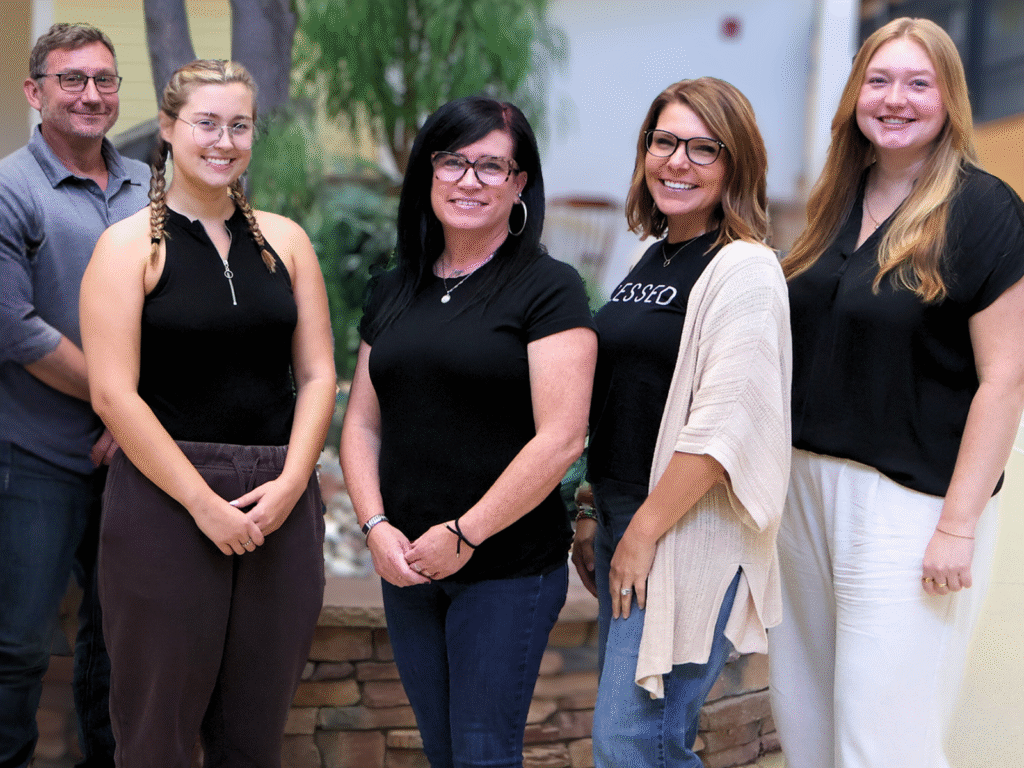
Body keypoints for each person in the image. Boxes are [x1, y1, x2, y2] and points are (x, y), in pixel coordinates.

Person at [768, 17, 1024, 768]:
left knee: (880, 738)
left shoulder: (985, 210)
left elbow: (1005, 377)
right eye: (879, 81)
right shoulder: (835, 201)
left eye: (919, 83)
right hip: (803, 491)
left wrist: (958, 524)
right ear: (854, 96)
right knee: (806, 722)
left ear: (950, 99)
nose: (895, 99)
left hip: (907, 504)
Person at [79, 59, 335, 767]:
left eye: (239, 125)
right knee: (155, 729)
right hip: (165, 498)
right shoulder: (126, 248)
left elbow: (317, 375)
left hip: (277, 502)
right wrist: (202, 502)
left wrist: (291, 486)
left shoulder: (286, 242)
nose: (224, 141)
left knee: (255, 729)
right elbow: (112, 395)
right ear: (167, 130)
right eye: (206, 123)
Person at [340, 95, 597, 768]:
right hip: (409, 563)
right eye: (454, 161)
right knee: (444, 751)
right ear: (429, 173)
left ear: (519, 184)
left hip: (506, 569)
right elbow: (362, 423)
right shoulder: (394, 288)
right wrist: (374, 527)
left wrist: (466, 533)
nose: (469, 180)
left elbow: (562, 438)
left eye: (492, 166)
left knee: (483, 753)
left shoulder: (549, 288)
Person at [571, 77, 791, 768]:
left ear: (737, 164)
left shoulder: (744, 269)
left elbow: (724, 428)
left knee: (636, 742)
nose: (678, 161)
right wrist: (589, 506)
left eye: (705, 148)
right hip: (624, 520)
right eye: (664, 142)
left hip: (682, 530)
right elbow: (620, 395)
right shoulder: (654, 255)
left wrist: (640, 533)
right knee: (640, 741)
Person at [0, 22, 149, 768]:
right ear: (36, 93)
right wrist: (121, 401)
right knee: (18, 644)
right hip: (33, 458)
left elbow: (173, 319)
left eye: (105, 79)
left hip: (132, 459)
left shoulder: (151, 190)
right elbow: (15, 329)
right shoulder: (7, 189)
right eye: (72, 79)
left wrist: (131, 424)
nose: (92, 94)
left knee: (118, 642)